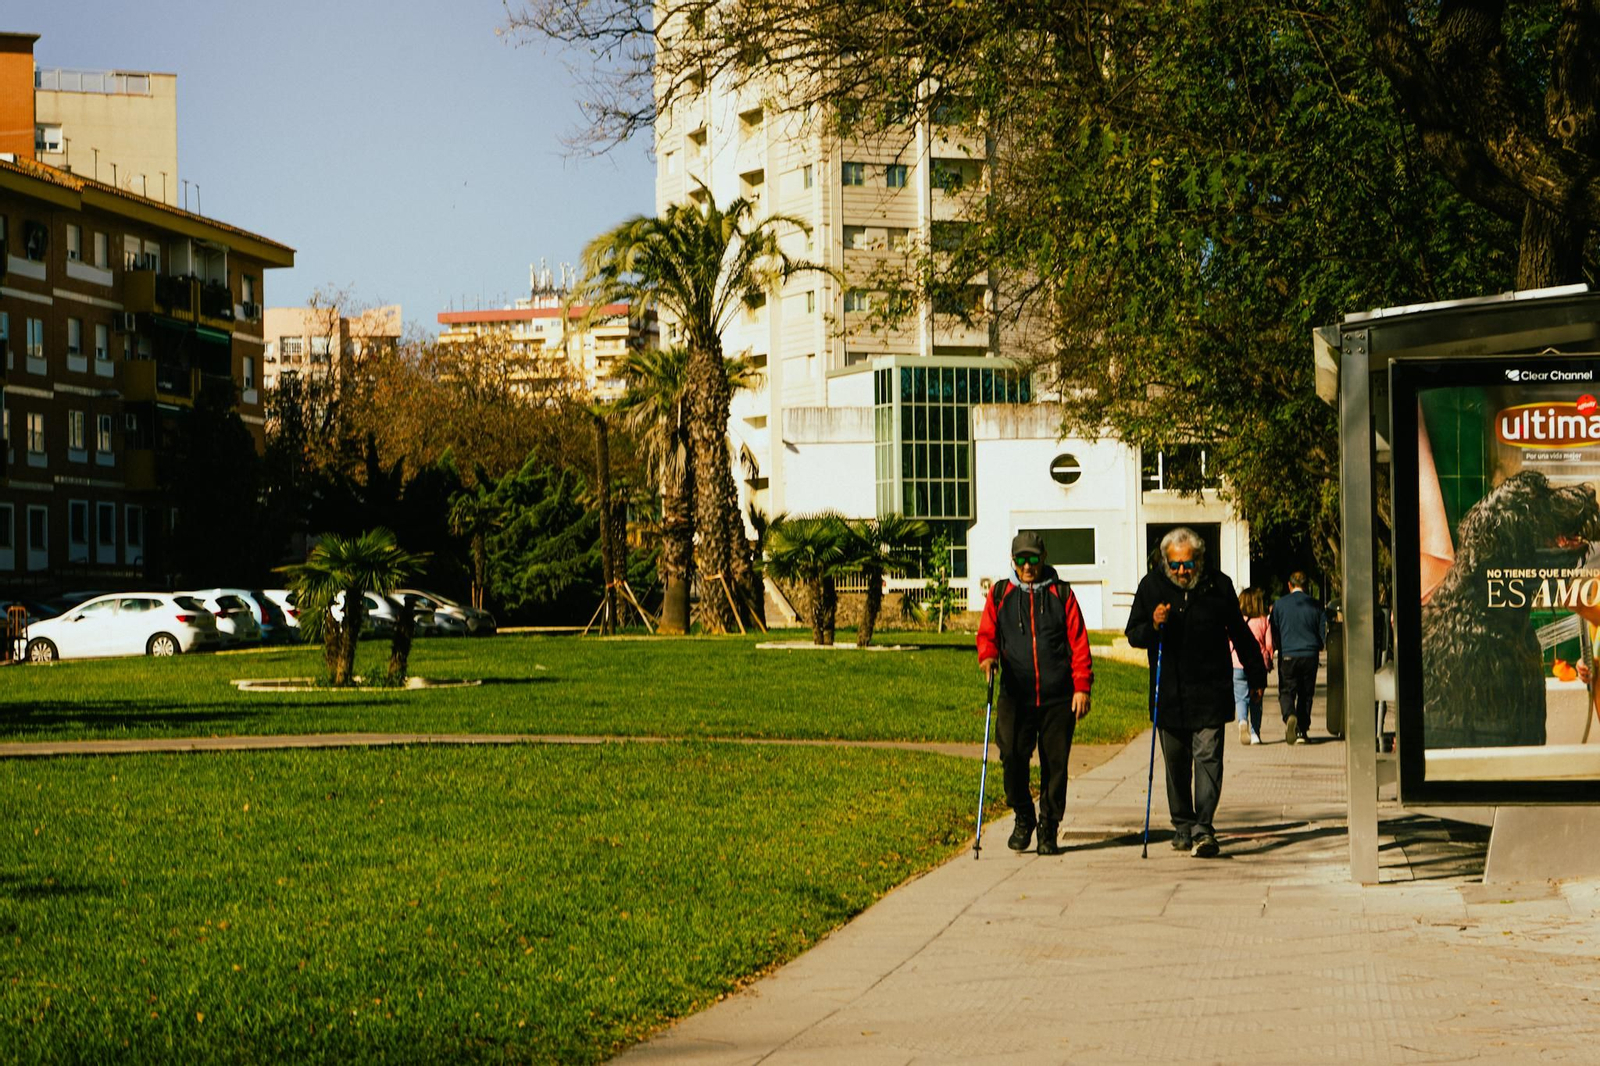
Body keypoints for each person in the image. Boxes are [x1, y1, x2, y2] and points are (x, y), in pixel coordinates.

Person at [1125, 527, 1265, 858]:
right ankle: (1183, 825)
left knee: (1208, 759)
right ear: (1165, 562)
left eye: (1188, 564)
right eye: (1175, 565)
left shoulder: (1218, 586)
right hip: (1169, 694)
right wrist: (1154, 624)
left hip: (1211, 690)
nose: (1182, 571)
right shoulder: (1151, 587)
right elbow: (1134, 634)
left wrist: (1256, 675)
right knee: (1175, 764)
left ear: (1199, 559)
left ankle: (1203, 827)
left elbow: (1240, 634)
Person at [976, 531, 1094, 857]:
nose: (1028, 566)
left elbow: (1079, 643)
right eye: (1022, 560)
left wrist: (1082, 686)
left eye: (1034, 559)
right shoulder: (1001, 594)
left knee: (1055, 766)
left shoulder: (1061, 594)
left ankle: (1048, 828)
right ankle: (1024, 815)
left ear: (1043, 559)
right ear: (1013, 561)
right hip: (1015, 695)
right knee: (1011, 755)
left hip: (1058, 696)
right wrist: (987, 656)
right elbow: (987, 633)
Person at [1269, 571, 1327, 744]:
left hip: (1288, 653)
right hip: (1309, 654)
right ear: (1306, 584)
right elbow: (1322, 630)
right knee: (1306, 693)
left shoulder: (1279, 605)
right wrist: (1320, 645)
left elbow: (1274, 629)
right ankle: (1302, 730)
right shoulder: (1316, 605)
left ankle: (1289, 716)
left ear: (1289, 584)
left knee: (1287, 690)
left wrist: (1279, 647)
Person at [1231, 586, 1273, 745]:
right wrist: (1268, 664)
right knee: (1257, 699)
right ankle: (1255, 733)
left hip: (1237, 663)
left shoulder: (1237, 621)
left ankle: (1242, 722)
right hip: (1258, 664)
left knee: (1240, 698)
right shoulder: (1263, 621)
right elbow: (1269, 645)